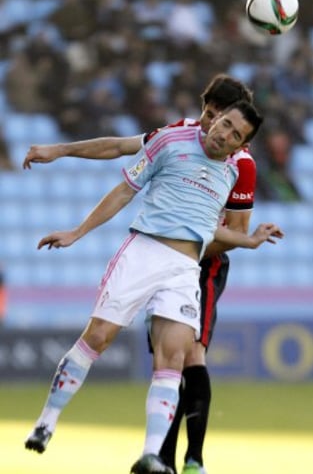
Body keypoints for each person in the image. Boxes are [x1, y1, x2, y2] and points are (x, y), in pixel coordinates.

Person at [24, 100, 282, 474]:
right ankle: (46, 422)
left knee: (173, 360)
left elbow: (208, 229)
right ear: (216, 117)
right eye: (225, 123)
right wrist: (77, 232)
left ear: (240, 145)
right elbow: (124, 190)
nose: (224, 134)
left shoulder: (230, 173)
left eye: (235, 134)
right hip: (143, 252)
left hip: (183, 269)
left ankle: (151, 455)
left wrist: (252, 239)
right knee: (98, 337)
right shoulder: (171, 140)